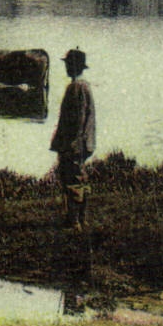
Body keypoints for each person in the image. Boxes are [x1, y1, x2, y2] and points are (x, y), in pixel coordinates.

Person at [50, 48, 96, 230]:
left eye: (68, 64)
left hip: (74, 143)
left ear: (75, 66)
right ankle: (81, 219)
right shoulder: (84, 85)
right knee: (79, 178)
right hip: (83, 142)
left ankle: (74, 221)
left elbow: (77, 119)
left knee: (72, 181)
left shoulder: (76, 87)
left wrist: (71, 143)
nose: (67, 67)